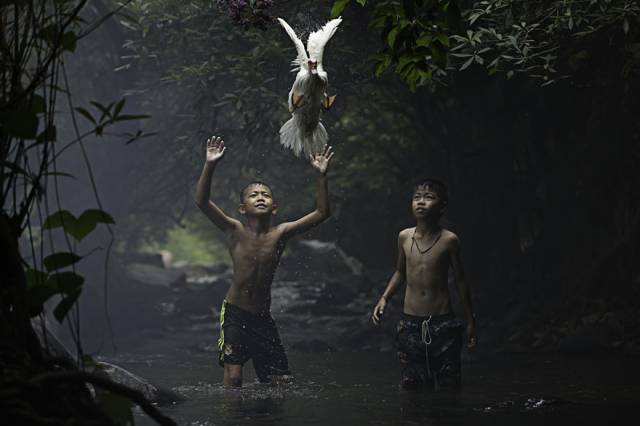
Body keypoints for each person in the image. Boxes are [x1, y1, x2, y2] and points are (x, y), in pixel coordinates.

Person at [195, 136, 334, 386]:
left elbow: (322, 213)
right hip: (235, 313)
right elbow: (202, 202)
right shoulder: (234, 230)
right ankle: (231, 417)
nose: (260, 197)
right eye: (253, 195)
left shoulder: (280, 233)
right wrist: (210, 164)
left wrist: (321, 175)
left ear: (274, 207)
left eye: (266, 195)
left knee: (280, 383)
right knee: (234, 377)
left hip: (262, 317)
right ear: (242, 208)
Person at [371, 179, 476, 389]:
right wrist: (384, 298)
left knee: (449, 386)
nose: (421, 202)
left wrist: (470, 320)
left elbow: (460, 280)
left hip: (443, 323)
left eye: (429, 198)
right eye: (417, 197)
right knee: (413, 387)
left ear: (442, 205)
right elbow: (400, 272)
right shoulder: (404, 237)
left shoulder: (449, 240)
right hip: (409, 324)